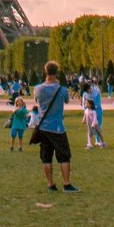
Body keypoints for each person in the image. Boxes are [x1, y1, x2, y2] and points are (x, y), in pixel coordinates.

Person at [34, 61, 78, 193]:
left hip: (43, 128)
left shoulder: (38, 89)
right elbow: (66, 101)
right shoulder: (62, 90)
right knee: (64, 156)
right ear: (57, 73)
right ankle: (66, 183)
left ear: (45, 72)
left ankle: (50, 184)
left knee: (46, 158)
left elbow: (37, 101)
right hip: (58, 128)